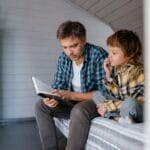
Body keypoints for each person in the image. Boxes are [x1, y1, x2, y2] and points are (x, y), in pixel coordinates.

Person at [35, 20, 109, 150]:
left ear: (84, 40)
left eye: (74, 46)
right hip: (71, 102)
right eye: (65, 47)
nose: (69, 52)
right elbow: (58, 84)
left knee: (79, 110)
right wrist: (51, 98)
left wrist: (71, 95)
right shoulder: (64, 58)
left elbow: (104, 93)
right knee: (40, 106)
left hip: (94, 103)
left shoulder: (98, 55)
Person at [93, 29, 144, 124]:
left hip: (139, 108)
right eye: (109, 52)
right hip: (123, 105)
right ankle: (118, 118)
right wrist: (108, 75)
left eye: (114, 53)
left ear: (129, 54)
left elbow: (134, 102)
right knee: (97, 94)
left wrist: (107, 106)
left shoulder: (138, 71)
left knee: (129, 103)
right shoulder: (117, 69)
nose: (109, 56)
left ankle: (112, 116)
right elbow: (116, 96)